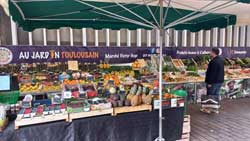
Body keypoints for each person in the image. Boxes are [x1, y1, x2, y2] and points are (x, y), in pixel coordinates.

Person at [201, 48, 224, 114]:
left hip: (213, 82)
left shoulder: (214, 61)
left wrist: (209, 82)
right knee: (216, 95)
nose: (210, 52)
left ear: (213, 52)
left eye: (211, 51)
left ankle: (208, 109)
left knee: (210, 95)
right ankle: (215, 109)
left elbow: (212, 73)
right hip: (219, 81)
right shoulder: (220, 60)